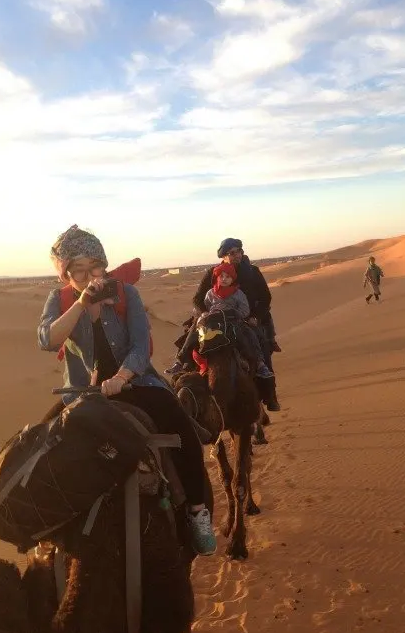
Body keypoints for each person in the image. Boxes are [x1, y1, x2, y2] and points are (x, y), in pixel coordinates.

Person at [37, 225, 217, 556]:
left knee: (183, 432)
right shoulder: (59, 300)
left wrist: (121, 375)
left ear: (103, 264)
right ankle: (47, 527)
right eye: (78, 270)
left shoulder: (126, 294)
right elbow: (48, 339)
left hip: (135, 383)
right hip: (81, 395)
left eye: (94, 267)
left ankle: (196, 511)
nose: (89, 276)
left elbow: (139, 345)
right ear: (66, 274)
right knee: (41, 446)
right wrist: (80, 303)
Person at [165, 263, 273, 378]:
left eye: (228, 277)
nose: (224, 279)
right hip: (213, 323)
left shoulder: (238, 293)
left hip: (233, 322)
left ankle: (260, 365)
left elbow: (245, 309)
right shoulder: (210, 293)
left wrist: (236, 314)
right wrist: (204, 314)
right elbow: (205, 306)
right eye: (221, 276)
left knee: (250, 334)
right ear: (217, 278)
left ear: (232, 278)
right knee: (193, 331)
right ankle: (180, 362)